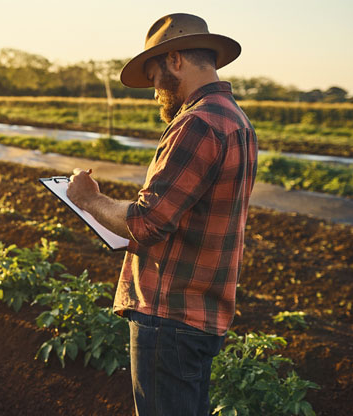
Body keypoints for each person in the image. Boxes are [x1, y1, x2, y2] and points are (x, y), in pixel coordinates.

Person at [66, 13, 258, 416]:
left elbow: (146, 222)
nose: (154, 92)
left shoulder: (197, 123)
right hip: (200, 311)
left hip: (169, 314)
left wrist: (89, 199)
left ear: (174, 61)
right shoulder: (235, 119)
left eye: (153, 78)